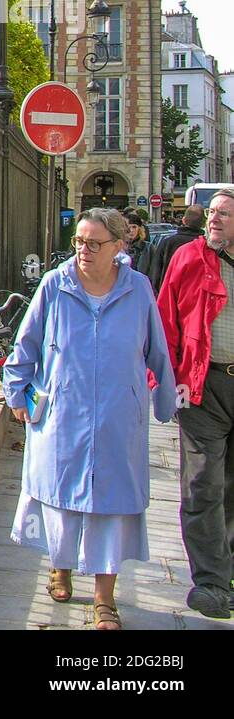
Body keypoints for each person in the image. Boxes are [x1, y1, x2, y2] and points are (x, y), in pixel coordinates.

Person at [4, 207, 177, 631]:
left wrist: (165, 400)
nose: (84, 250)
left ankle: (104, 599)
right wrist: (17, 392)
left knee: (111, 507)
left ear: (119, 246)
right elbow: (25, 344)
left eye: (95, 243)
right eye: (79, 241)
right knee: (60, 498)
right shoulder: (54, 284)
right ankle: (60, 566)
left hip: (119, 415)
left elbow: (157, 348)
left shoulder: (138, 289)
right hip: (64, 411)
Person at [157, 186, 234, 620]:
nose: (213, 220)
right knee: (203, 481)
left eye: (224, 213)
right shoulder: (190, 258)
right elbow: (166, 319)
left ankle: (228, 575)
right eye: (212, 213)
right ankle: (210, 582)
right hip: (204, 386)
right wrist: (165, 380)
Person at [151, 204, 205, 293]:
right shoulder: (206, 246)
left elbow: (155, 274)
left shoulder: (167, 243)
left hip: (168, 296)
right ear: (203, 224)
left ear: (183, 220)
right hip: (197, 300)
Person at [122, 209, 154, 283]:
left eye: (134, 227)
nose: (131, 230)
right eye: (128, 227)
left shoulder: (148, 248)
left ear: (139, 229)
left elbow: (154, 271)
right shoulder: (117, 247)